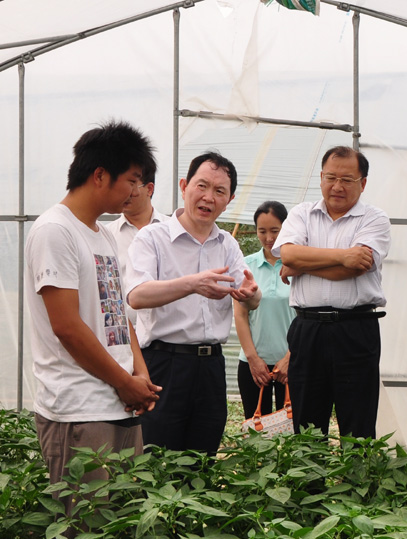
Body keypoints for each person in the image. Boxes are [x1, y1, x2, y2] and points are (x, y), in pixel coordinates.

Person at [24, 120, 162, 514]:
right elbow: (67, 327)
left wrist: (140, 375)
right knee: (84, 527)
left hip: (120, 402)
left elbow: (118, 312)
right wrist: (125, 382)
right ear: (99, 175)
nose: (136, 191)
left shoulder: (101, 235)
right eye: (131, 180)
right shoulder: (55, 231)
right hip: (79, 410)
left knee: (123, 524)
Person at [126, 151, 261, 455]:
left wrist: (251, 294)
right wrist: (193, 284)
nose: (209, 197)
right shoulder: (152, 238)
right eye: (202, 186)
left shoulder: (227, 244)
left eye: (219, 191)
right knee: (159, 459)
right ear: (184, 186)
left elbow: (251, 295)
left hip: (211, 366)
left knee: (203, 458)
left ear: (230, 199)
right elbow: (136, 295)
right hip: (164, 364)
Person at [272, 145, 391, 439]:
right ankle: (311, 474)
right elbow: (288, 254)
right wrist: (342, 256)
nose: (337, 186)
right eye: (331, 177)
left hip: (355, 330)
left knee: (358, 425)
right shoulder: (302, 213)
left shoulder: (374, 219)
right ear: (321, 177)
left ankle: (357, 472)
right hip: (307, 329)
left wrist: (301, 264)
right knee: (307, 427)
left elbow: (354, 268)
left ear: (363, 183)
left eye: (347, 180)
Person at [234, 201, 295, 419]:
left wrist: (291, 357)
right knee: (255, 428)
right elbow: (240, 315)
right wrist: (253, 359)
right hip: (253, 364)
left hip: (291, 364)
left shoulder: (298, 267)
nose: (269, 238)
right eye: (262, 231)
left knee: (293, 429)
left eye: (275, 231)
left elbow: (306, 318)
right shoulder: (246, 266)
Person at [106, 169, 169, 326]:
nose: (125, 193)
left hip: (166, 333)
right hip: (123, 331)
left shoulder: (172, 230)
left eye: (132, 185)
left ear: (150, 189)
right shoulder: (106, 235)